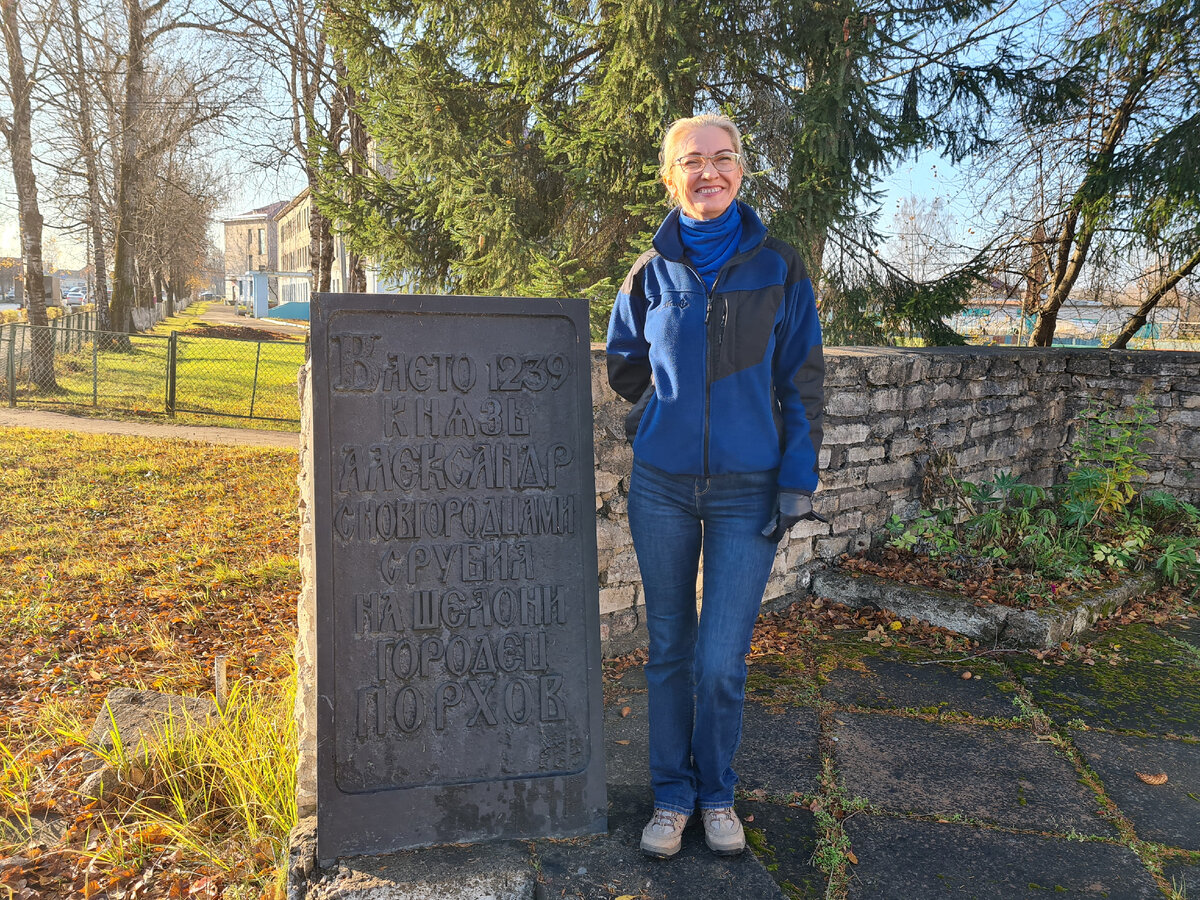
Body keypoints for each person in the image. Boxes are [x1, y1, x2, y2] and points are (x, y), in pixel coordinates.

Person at [606, 114, 825, 859]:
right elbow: (623, 360)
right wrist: (653, 419)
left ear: (741, 170)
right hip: (661, 489)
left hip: (748, 492)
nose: (709, 172)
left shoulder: (780, 267)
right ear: (671, 176)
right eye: (692, 161)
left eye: (723, 158)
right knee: (669, 647)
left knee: (720, 660)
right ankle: (671, 798)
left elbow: (803, 383)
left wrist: (797, 477)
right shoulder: (649, 271)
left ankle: (716, 792)